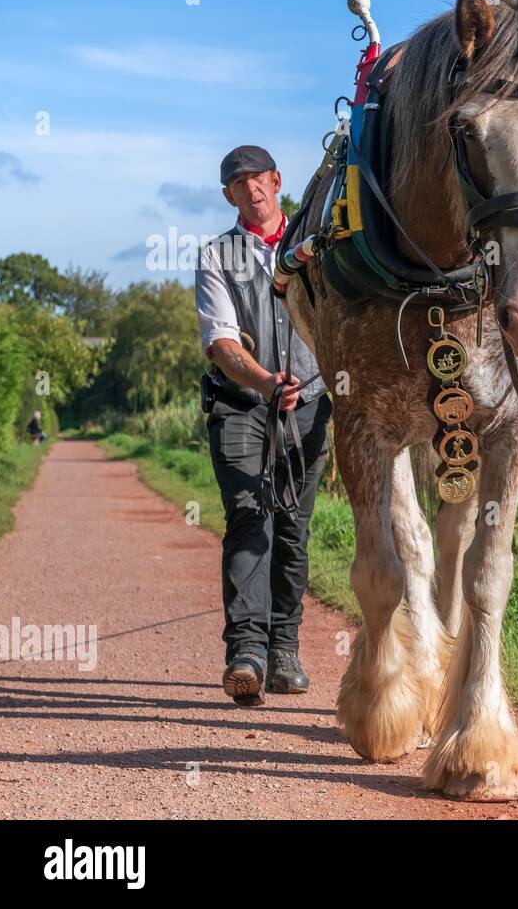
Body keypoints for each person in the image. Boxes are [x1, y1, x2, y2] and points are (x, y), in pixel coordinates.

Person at [194, 145, 331, 707]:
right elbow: (222, 345)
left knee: (294, 526)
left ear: (277, 181)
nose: (251, 189)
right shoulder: (216, 256)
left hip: (311, 406)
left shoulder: (319, 246)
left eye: (259, 179)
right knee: (251, 517)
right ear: (228, 195)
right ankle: (246, 653)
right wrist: (267, 382)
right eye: (238, 184)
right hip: (240, 406)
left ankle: (284, 651)